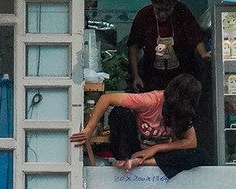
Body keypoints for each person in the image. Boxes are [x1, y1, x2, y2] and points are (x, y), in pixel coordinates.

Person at [71, 73, 207, 177]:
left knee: (201, 155)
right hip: (133, 148)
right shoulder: (151, 101)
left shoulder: (183, 113)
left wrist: (156, 149)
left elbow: (191, 143)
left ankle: (140, 162)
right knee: (120, 112)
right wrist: (89, 129)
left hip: (157, 156)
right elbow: (107, 99)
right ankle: (125, 158)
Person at [127, 0, 211, 92]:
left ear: (174, 3)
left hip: (182, 73)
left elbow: (195, 36)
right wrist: (136, 76)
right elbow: (133, 46)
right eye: (158, 10)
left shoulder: (182, 11)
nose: (163, 15)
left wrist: (204, 54)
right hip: (153, 76)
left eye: (167, 10)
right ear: (152, 2)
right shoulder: (144, 15)